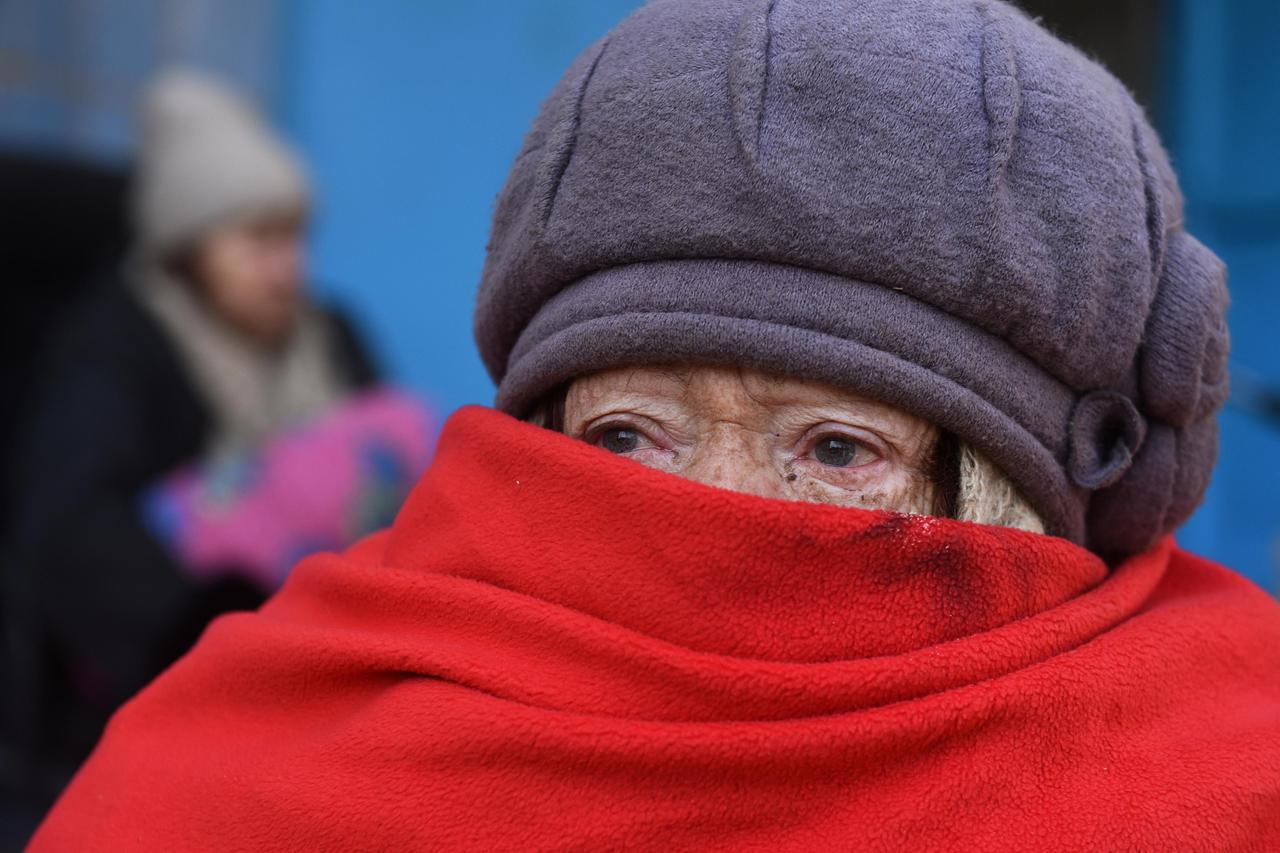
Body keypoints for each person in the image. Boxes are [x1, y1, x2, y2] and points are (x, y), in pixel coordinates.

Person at [30, 1, 1280, 850]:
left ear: (1047, 482)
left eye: (837, 448)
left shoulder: (1225, 771)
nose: (705, 515)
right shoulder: (251, 763)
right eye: (626, 439)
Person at [5, 71, 430, 791]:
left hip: (334, 661)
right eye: (258, 240)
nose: (286, 267)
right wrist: (221, 632)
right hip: (176, 684)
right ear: (188, 247)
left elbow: (389, 466)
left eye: (296, 237)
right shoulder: (118, 343)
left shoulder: (329, 332)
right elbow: (72, 524)